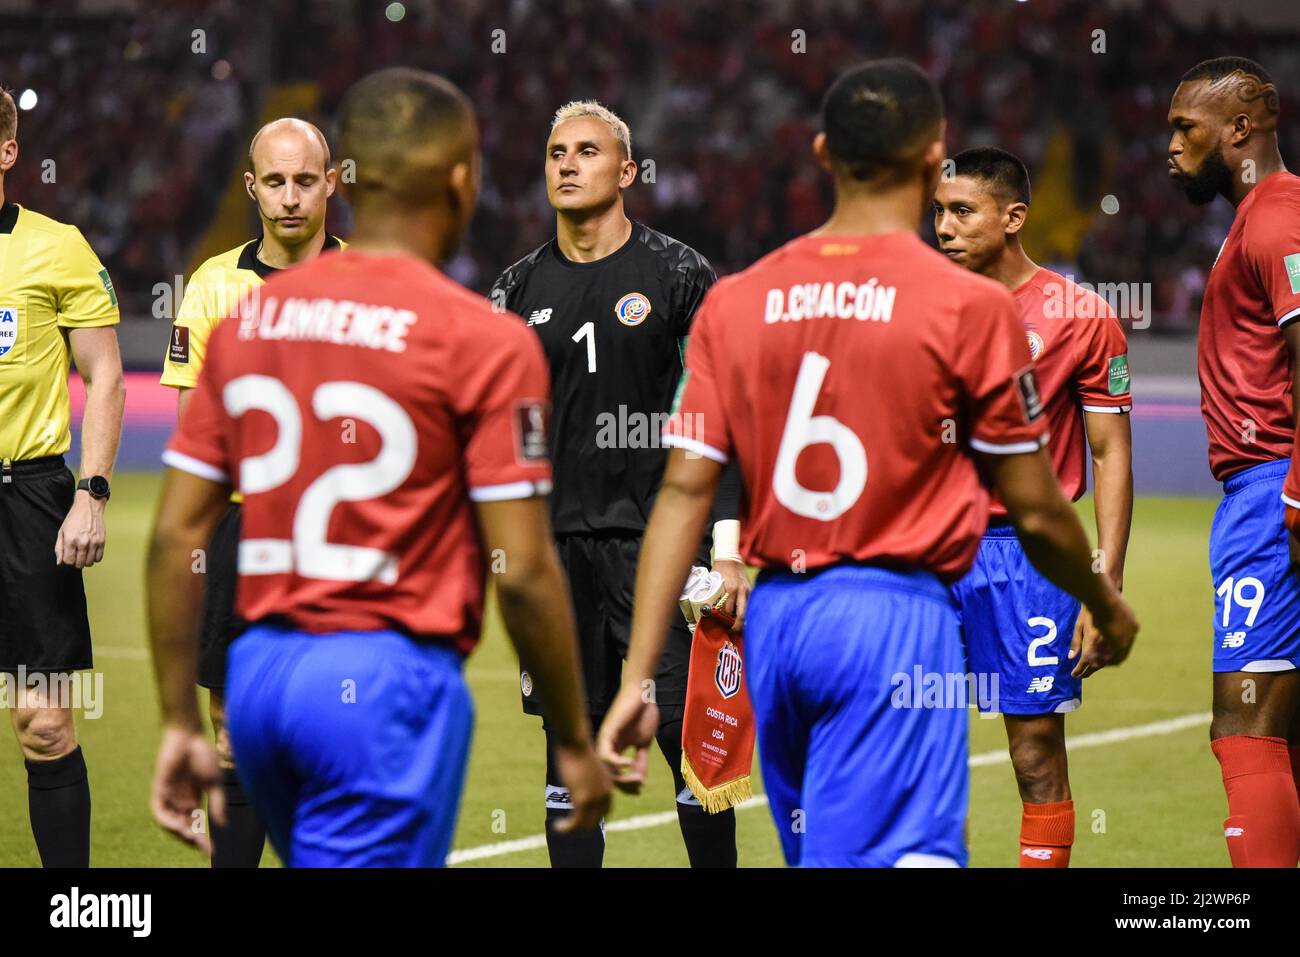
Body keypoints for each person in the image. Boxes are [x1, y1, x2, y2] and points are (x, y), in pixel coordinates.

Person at [597, 59, 1137, 867]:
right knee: (903, 849)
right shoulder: (969, 306)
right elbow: (1030, 500)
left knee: (822, 845)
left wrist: (641, 676)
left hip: (782, 622)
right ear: (932, 159)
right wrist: (1104, 595)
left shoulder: (738, 301)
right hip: (895, 610)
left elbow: (684, 489)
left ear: (820, 152)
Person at [147, 68, 610, 867]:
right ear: (462, 181)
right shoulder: (482, 339)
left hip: (260, 677)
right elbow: (527, 570)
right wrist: (572, 736)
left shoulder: (247, 323)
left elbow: (175, 532)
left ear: (345, 178)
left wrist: (180, 723)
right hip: (382, 683)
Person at [489, 100, 742, 867]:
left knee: (681, 736)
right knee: (570, 743)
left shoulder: (679, 274)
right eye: (556, 151)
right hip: (557, 556)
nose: (567, 164)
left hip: (660, 548)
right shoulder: (514, 288)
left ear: (626, 171)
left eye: (588, 152)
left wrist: (726, 550)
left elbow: (723, 419)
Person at [934, 147, 1133, 867]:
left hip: (1028, 557)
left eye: (962, 211)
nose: (945, 227)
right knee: (909, 743)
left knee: (1035, 752)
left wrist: (1103, 582)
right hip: (927, 552)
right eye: (938, 212)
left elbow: (1109, 452)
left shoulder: (1081, 316)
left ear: (1014, 217)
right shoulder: (919, 306)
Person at [158, 116, 344, 868]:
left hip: (339, 539)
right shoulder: (210, 287)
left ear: (333, 182)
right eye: (276, 181)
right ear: (251, 187)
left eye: (306, 180)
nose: (292, 197)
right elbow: (192, 444)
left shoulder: (371, 286)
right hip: (239, 536)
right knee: (233, 735)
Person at [1168, 55, 1300, 867]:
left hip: (1271, 489)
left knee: (1244, 723)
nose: (1171, 145)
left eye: (1187, 127)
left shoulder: (1279, 217)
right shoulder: (1257, 219)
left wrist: (1295, 497)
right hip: (1266, 488)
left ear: (1241, 128)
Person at [0, 87, 125, 868]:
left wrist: (92, 490)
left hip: (28, 497)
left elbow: (105, 375)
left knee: (45, 723)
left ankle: (69, 908)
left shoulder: (56, 245)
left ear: (8, 151)